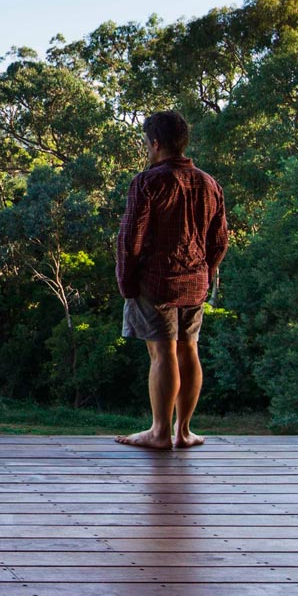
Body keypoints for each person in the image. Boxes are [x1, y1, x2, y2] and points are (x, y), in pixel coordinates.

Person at [114, 109, 228, 450]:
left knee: (162, 354)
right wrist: (206, 270)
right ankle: (184, 432)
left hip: (156, 281)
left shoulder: (148, 181)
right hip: (195, 280)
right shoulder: (210, 183)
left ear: (156, 143)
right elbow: (220, 239)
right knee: (188, 349)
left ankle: (160, 432)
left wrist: (126, 282)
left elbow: (130, 238)